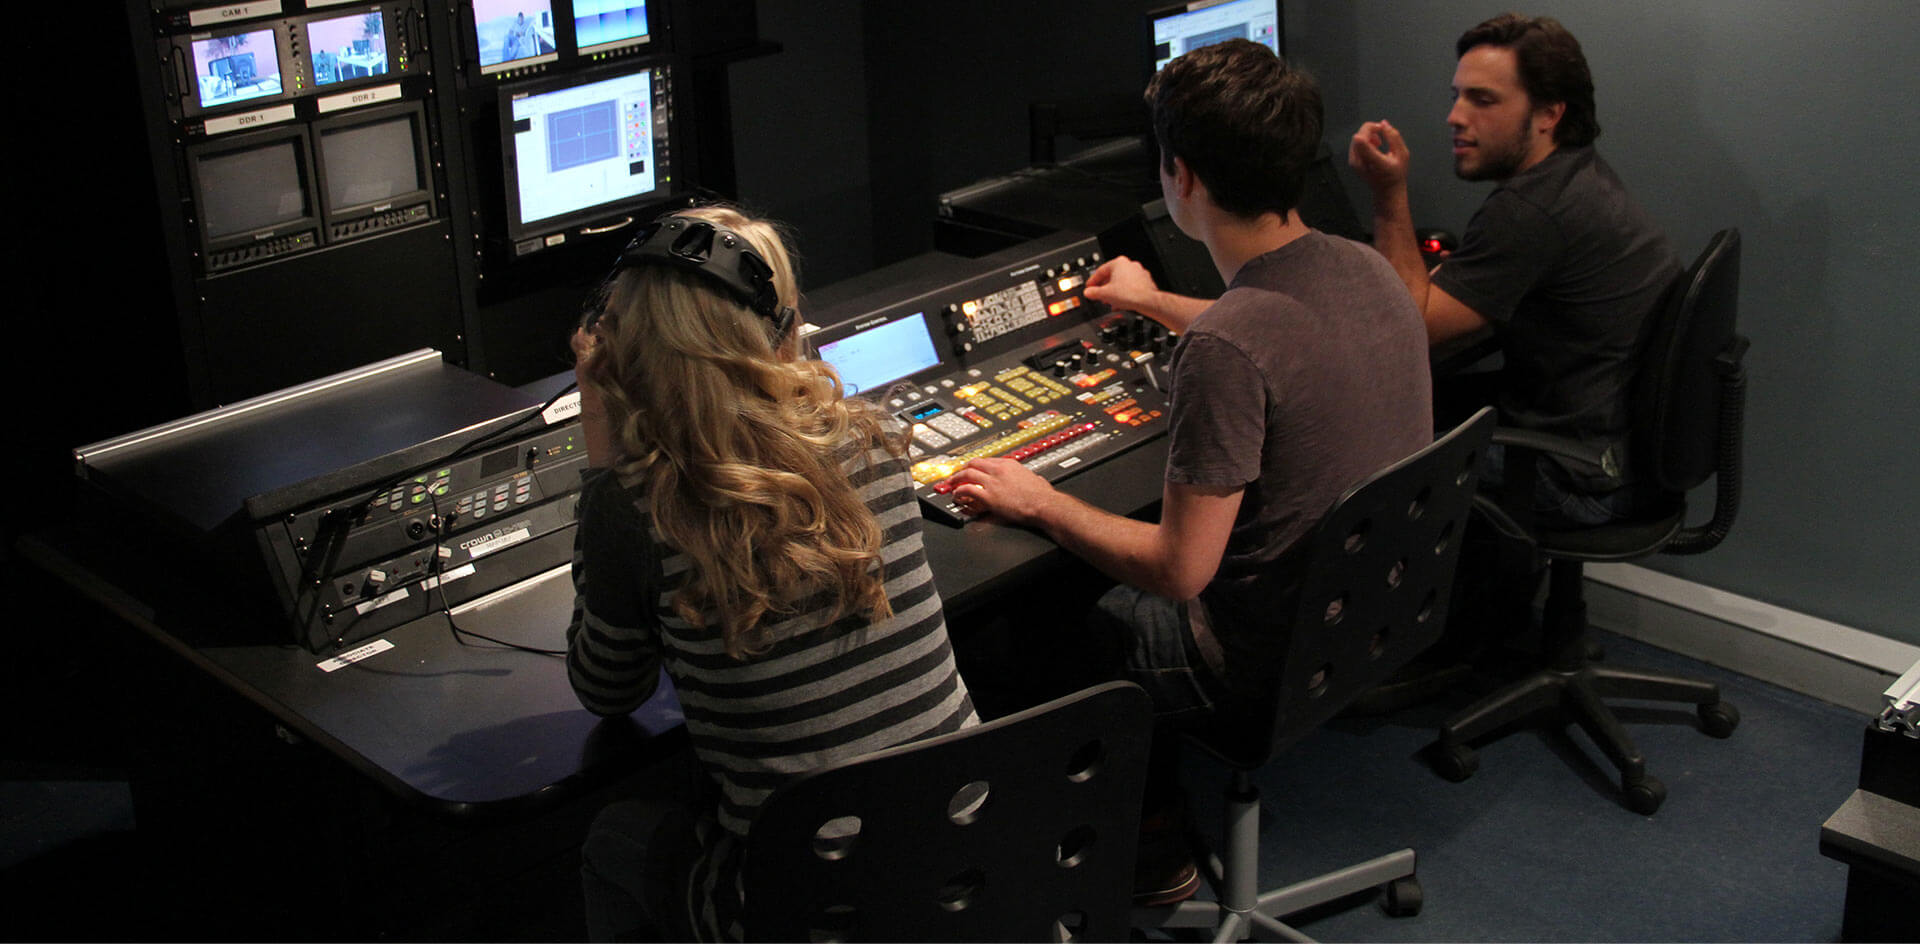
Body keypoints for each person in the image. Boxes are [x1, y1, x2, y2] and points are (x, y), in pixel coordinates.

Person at [945, 39, 1432, 904]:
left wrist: (1041, 500)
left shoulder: (1226, 349)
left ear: (1184, 179)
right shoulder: (1368, 269)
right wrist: (1153, 303)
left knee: (1031, 617)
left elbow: (1179, 572)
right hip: (1376, 611)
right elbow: (1281, 322)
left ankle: (1147, 851)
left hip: (1250, 666)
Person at [566, 206, 978, 941]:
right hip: (980, 869)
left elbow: (607, 690)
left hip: (816, 913)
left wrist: (600, 437)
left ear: (620, 342)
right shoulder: (871, 443)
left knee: (615, 838)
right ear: (785, 330)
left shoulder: (632, 508)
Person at [1347, 12, 1681, 526]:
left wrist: (1389, 194)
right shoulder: (1575, 175)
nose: (1455, 116)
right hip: (1614, 447)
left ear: (1548, 114)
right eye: (1457, 95)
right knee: (1406, 405)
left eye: (1482, 100)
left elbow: (1408, 330)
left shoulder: (1532, 213)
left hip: (1575, 475)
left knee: (1353, 445)